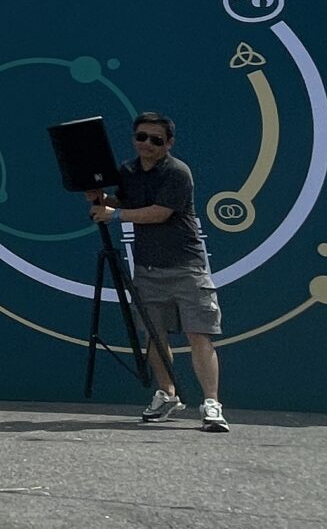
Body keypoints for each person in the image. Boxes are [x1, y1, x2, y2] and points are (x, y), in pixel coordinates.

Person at [89, 110, 228, 432]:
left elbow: (158, 213)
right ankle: (167, 394)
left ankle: (211, 404)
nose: (147, 144)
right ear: (134, 138)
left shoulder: (178, 172)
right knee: (154, 335)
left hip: (186, 267)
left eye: (156, 139)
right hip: (147, 268)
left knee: (199, 334)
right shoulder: (128, 170)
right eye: (142, 137)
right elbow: (124, 201)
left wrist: (113, 214)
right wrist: (101, 198)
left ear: (169, 143)